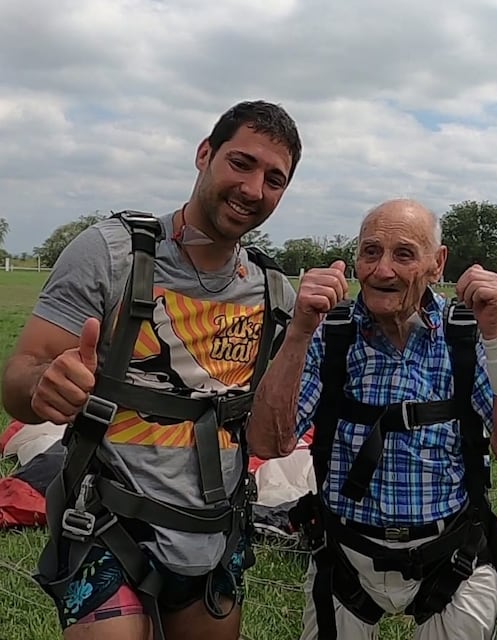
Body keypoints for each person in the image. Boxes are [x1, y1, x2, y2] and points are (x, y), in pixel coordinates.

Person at [0, 100, 301, 640]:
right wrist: (43, 385)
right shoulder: (112, 254)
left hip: (212, 531)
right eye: (242, 163)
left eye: (274, 179)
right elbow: (20, 379)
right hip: (108, 521)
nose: (254, 189)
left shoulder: (274, 293)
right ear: (204, 154)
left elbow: (270, 432)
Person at [246, 198, 497, 640]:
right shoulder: (333, 335)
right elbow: (267, 444)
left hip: (451, 555)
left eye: (403, 254)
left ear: (436, 264)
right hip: (346, 554)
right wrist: (301, 331)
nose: (382, 270)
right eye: (370, 252)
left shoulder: (466, 336)